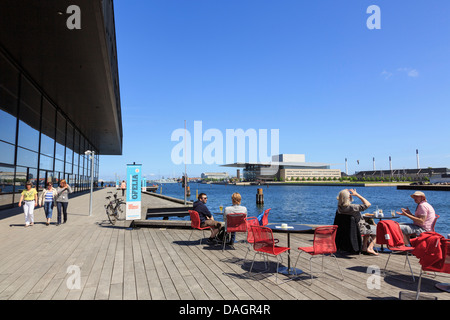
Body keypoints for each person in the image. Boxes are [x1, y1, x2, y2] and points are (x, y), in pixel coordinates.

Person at [336, 189, 378, 256]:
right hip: (358, 229)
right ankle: (370, 248)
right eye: (350, 195)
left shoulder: (339, 208)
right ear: (348, 198)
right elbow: (368, 204)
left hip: (347, 229)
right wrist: (357, 195)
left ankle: (364, 248)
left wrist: (344, 192)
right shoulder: (353, 207)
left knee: (368, 227)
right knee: (377, 229)